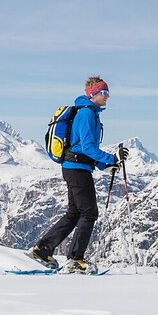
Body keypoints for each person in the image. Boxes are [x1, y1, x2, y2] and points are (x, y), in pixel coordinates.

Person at [28, 76, 128, 274]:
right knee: (89, 213)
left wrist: (105, 165)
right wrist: (111, 157)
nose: (107, 97)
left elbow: (83, 147)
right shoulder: (86, 114)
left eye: (108, 93)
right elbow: (88, 147)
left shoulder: (88, 113)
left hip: (75, 166)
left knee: (74, 213)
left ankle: (43, 249)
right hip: (77, 169)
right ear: (93, 94)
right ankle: (75, 259)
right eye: (104, 93)